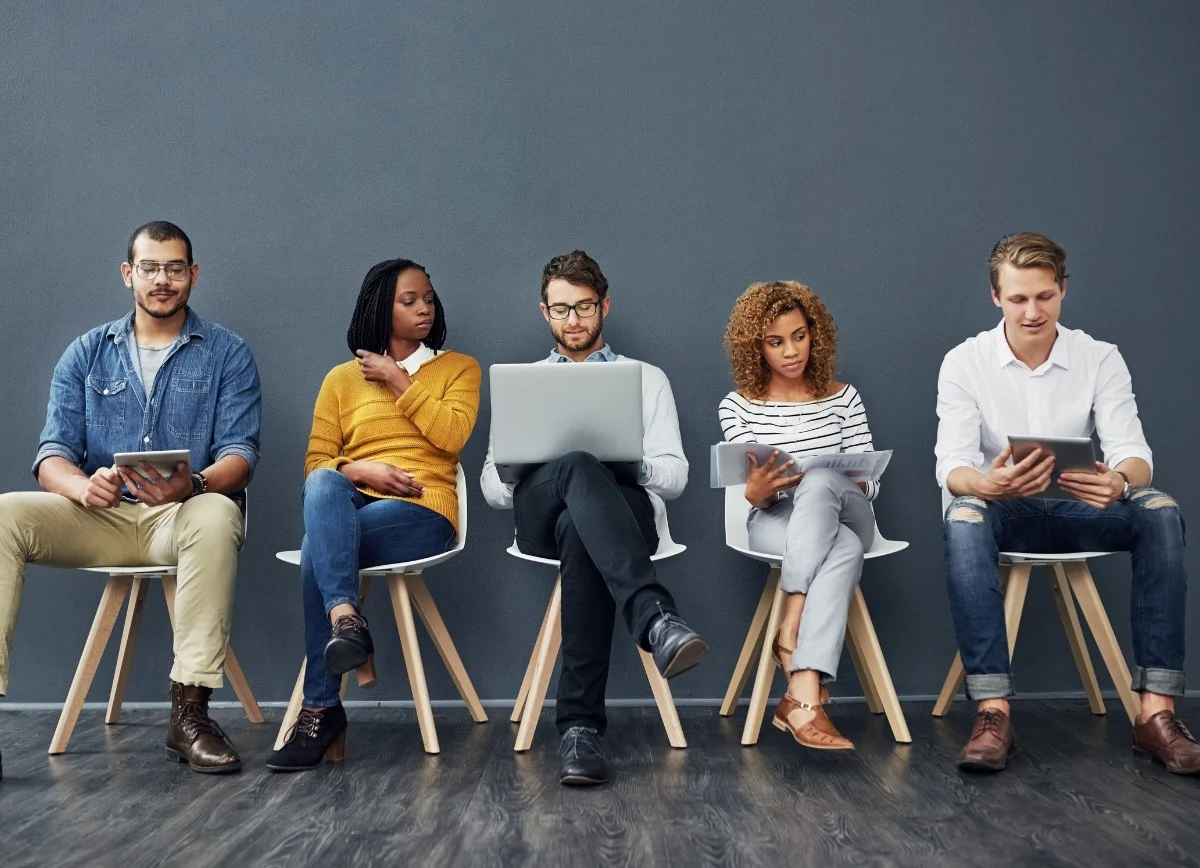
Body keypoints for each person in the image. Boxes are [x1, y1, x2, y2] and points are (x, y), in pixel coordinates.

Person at [0, 221, 261, 777]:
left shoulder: (227, 353)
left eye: (174, 268)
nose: (162, 280)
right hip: (101, 518)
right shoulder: (86, 353)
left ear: (193, 275)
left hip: (181, 517)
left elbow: (241, 456)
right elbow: (51, 455)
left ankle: (189, 713)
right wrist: (80, 485)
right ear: (128, 274)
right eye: (150, 267)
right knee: (2, 514)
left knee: (218, 510)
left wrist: (191, 485)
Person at [936, 231, 1197, 774]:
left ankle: (1156, 712)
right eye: (1018, 299)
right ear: (995, 298)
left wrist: (1120, 481)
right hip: (1004, 512)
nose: (1033, 312)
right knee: (962, 514)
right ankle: (992, 712)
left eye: (1045, 296)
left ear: (1062, 291)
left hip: (1082, 511)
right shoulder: (964, 362)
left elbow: (1133, 450)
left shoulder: (1099, 357)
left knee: (1159, 508)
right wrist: (987, 485)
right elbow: (953, 465)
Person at [481, 250, 707, 786]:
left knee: (582, 532)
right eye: (561, 310)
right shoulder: (524, 381)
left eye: (584, 307)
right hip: (538, 510)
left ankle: (580, 731)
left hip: (623, 514)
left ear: (604, 304)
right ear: (544, 313)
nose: (573, 321)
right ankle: (655, 618)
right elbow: (491, 488)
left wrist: (632, 463)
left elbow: (676, 478)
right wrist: (523, 466)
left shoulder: (646, 379)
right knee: (578, 467)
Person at [267, 259, 480, 771]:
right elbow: (316, 465)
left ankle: (320, 711)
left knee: (322, 549)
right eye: (409, 301)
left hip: (423, 510)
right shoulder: (340, 380)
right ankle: (347, 617)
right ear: (381, 308)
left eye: (428, 297)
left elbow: (452, 437)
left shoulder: (458, 369)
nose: (424, 307)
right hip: (354, 501)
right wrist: (360, 469)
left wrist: (399, 381)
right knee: (324, 483)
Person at [720, 281, 879, 751]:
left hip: (848, 511)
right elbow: (753, 493)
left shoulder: (844, 397)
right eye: (775, 342)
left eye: (799, 336)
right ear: (757, 347)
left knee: (821, 481)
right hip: (777, 521)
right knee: (843, 549)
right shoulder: (738, 406)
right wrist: (758, 493)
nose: (791, 351)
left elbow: (871, 479)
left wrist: (843, 478)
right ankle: (804, 692)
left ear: (816, 334)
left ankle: (789, 626)